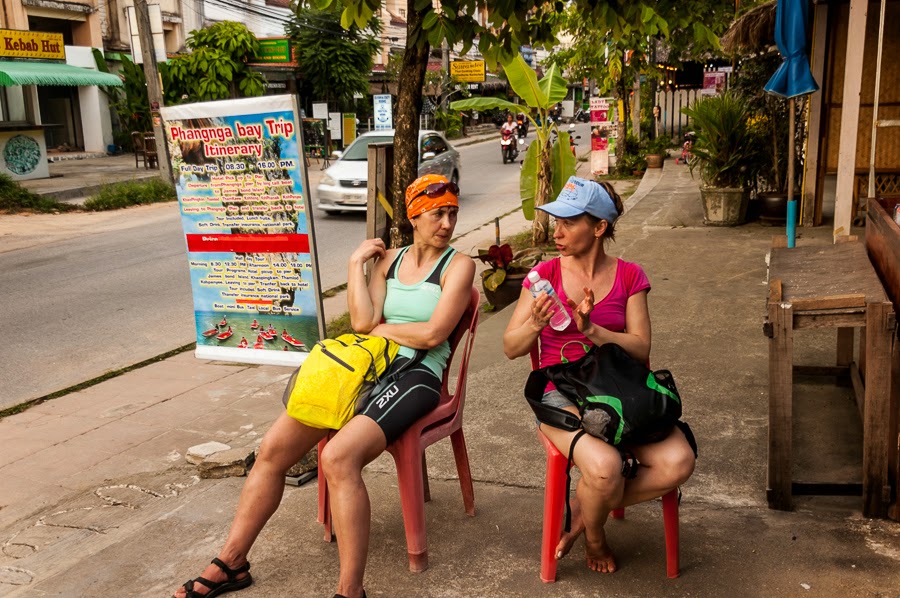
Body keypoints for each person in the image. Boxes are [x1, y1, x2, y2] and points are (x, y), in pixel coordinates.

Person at [172, 174, 474, 598]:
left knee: (337, 457)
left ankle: (351, 590)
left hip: (417, 375)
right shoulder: (390, 261)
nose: (447, 223)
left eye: (452, 213)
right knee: (272, 451)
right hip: (366, 367)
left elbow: (433, 335)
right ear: (414, 216)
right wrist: (356, 265)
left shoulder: (459, 265)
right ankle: (232, 561)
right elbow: (362, 323)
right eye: (437, 213)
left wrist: (385, 330)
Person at [502, 176, 695, 574]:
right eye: (556, 221)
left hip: (617, 393)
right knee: (605, 467)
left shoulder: (629, 276)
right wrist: (536, 325)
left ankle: (585, 509)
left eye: (569, 222)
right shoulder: (544, 276)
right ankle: (594, 535)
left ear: (599, 227)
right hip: (562, 393)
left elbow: (642, 348)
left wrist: (593, 330)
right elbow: (510, 347)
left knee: (679, 462)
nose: (557, 231)